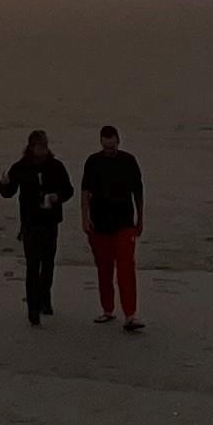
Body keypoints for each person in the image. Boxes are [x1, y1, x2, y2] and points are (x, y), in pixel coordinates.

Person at [0, 128, 74, 324]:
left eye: (46, 146)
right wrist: (4, 183)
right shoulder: (21, 167)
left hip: (50, 222)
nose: (44, 150)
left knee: (48, 264)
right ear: (31, 147)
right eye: (40, 146)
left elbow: (68, 189)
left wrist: (57, 196)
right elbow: (9, 192)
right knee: (32, 265)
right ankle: (33, 308)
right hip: (30, 223)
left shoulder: (56, 166)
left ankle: (44, 298)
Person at [81, 123, 146, 331]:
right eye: (106, 144)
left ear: (118, 140)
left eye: (113, 144)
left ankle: (130, 314)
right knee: (104, 269)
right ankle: (108, 309)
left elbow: (138, 191)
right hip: (99, 224)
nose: (110, 148)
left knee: (126, 267)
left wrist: (141, 218)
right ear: (101, 142)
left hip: (125, 222)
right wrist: (85, 217)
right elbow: (85, 192)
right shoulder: (93, 162)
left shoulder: (128, 161)